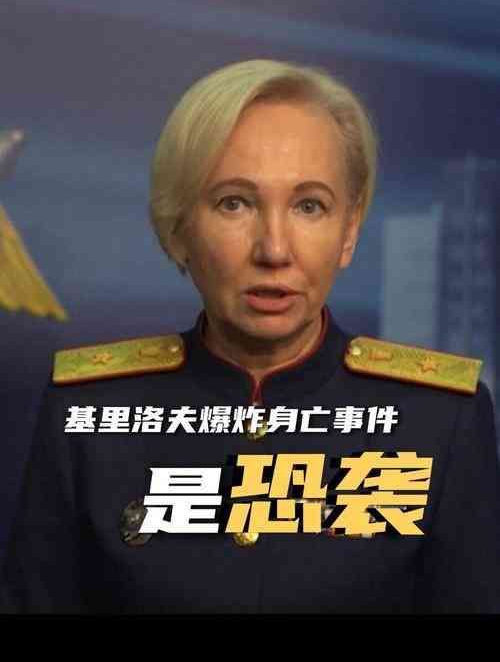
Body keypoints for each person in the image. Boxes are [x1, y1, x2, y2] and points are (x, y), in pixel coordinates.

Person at [1, 59, 500, 614]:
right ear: (179, 226)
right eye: (234, 203)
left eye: (310, 206)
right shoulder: (88, 412)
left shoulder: (442, 420)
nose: (274, 250)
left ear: (350, 230)